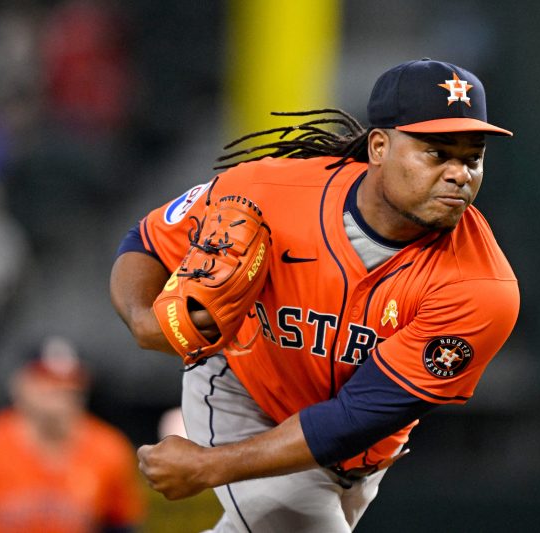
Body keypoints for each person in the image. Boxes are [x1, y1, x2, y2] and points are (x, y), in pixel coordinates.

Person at [111, 58, 519, 532]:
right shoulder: (269, 191)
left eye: (472, 158)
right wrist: (142, 319)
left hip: (355, 452)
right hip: (243, 394)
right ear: (379, 147)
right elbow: (147, 240)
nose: (459, 174)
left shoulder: (481, 288)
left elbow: (354, 417)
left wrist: (208, 467)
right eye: (437, 153)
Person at [0, 336, 146, 533]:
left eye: (70, 382)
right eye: (46, 379)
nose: (59, 390)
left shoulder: (108, 448)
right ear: (20, 384)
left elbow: (121, 525)